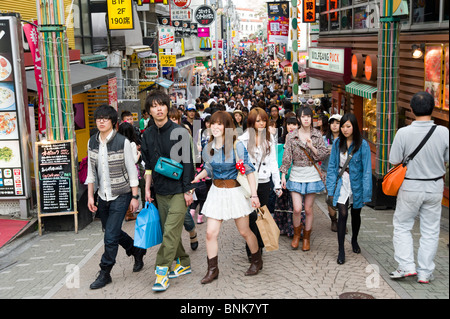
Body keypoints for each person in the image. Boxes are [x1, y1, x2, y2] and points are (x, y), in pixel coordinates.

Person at [192, 111, 262, 284]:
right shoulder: (208, 146)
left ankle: (257, 260)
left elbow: (250, 171)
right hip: (216, 192)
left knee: (245, 231)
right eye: (213, 123)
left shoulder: (236, 145)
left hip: (235, 191)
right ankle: (213, 270)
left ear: (226, 126)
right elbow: (209, 168)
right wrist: (197, 177)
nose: (215, 127)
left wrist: (254, 195)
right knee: (210, 233)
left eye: (219, 124)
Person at [388, 91, 449, 283]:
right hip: (435, 186)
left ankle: (406, 266)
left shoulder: (403, 133)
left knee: (403, 226)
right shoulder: (444, 132)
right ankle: (425, 272)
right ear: (433, 109)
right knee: (430, 230)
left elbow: (394, 160)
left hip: (411, 186)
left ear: (412, 110)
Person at [86, 104, 146, 289]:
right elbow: (90, 171)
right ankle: (136, 250)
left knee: (110, 236)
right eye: (98, 118)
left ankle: (105, 272)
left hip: (122, 194)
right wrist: (90, 196)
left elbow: (132, 171)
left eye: (105, 118)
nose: (101, 121)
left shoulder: (123, 142)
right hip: (102, 195)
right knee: (110, 231)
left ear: (113, 122)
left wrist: (135, 197)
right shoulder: (92, 142)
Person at [140, 91, 196, 292]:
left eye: (162, 105)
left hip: (180, 191)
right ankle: (183, 261)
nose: (159, 109)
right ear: (149, 111)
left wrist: (189, 190)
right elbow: (147, 165)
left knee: (170, 232)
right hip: (160, 191)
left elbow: (188, 162)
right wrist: (147, 188)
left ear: (167, 106)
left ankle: (161, 271)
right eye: (154, 106)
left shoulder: (180, 132)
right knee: (168, 232)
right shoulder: (146, 135)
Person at [280, 106, 329, 251]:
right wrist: (283, 175)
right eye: (303, 116)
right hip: (296, 173)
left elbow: (322, 154)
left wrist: (311, 146)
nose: (306, 119)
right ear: (299, 118)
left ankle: (306, 238)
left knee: (308, 209)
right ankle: (296, 235)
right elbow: (287, 156)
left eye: (308, 116)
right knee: (297, 208)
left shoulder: (317, 135)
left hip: (311, 173)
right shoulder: (292, 136)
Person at [326, 113, 372, 265]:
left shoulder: (363, 144)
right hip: (342, 181)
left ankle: (354, 240)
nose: (345, 129)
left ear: (354, 127)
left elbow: (366, 170)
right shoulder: (338, 143)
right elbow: (332, 167)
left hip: (357, 182)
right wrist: (330, 190)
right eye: (343, 126)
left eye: (348, 126)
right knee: (343, 213)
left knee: (356, 213)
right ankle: (341, 250)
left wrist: (367, 193)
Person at [238, 107, 282, 260]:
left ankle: (259, 246)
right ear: (251, 122)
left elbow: (273, 162)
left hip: (264, 181)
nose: (262, 123)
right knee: (250, 217)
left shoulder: (269, 139)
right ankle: (252, 248)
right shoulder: (242, 139)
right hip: (248, 183)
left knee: (261, 215)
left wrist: (277, 184)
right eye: (258, 121)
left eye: (264, 120)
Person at [118, 122, 142, 221]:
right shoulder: (131, 144)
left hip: (121, 170)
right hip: (130, 171)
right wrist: (139, 154)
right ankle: (129, 214)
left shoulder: (118, 142)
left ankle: (125, 213)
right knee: (132, 192)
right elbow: (134, 160)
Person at [322, 114, 341, 232]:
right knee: (331, 196)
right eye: (332, 123)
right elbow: (319, 154)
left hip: (341, 172)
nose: (335, 125)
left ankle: (342, 220)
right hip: (327, 171)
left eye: (337, 123)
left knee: (342, 196)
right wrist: (325, 152)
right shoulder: (326, 139)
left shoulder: (345, 139)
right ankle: (334, 220)